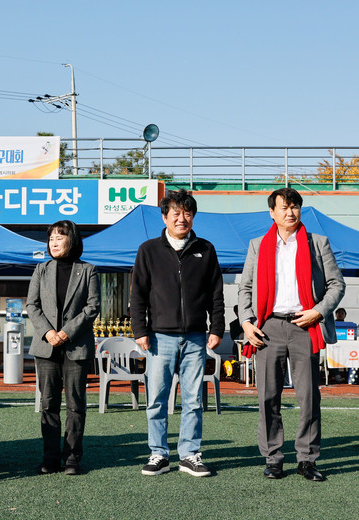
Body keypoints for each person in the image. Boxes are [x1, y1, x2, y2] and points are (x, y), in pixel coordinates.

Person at [239, 187, 345, 482]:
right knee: (268, 397)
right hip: (268, 327)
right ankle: (273, 459)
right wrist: (246, 322)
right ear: (272, 212)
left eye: (295, 206)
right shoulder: (258, 245)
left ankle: (307, 460)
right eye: (284, 207)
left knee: (309, 397)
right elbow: (245, 287)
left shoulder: (317, 243)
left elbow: (337, 285)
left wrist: (318, 312)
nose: (290, 212)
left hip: (305, 325)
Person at [130, 189, 224, 478]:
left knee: (193, 400)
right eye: (176, 213)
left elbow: (216, 294)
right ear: (165, 217)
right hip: (159, 338)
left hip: (195, 337)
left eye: (187, 213)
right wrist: (140, 330)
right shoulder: (148, 250)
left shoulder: (205, 249)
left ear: (193, 217)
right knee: (156, 399)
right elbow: (138, 295)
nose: (182, 218)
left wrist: (216, 327)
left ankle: (189, 454)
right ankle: (159, 454)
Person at [26, 220, 99, 476]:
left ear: (73, 240)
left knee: (75, 404)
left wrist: (66, 332)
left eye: (60, 237)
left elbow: (92, 307)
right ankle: (50, 458)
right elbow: (32, 305)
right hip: (46, 347)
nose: (53, 243)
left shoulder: (88, 270)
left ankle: (72, 459)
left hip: (76, 346)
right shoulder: (41, 269)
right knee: (49, 404)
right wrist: (48, 332)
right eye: (51, 239)